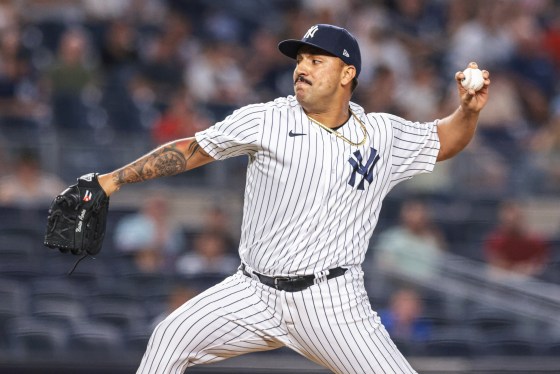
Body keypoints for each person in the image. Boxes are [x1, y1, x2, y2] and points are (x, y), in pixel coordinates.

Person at [91, 24, 489, 374]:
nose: (301, 68)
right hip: (253, 293)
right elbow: (191, 149)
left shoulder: (382, 134)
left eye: (317, 60)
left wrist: (467, 111)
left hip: (332, 302)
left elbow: (446, 140)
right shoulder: (267, 119)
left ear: (347, 73)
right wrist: (111, 180)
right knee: (169, 338)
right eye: (300, 60)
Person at [375, 199, 447, 281]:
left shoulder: (434, 239)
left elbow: (439, 267)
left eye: (420, 211)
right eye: (412, 211)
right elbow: (385, 266)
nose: (417, 216)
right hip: (397, 285)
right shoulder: (391, 237)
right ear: (403, 214)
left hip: (428, 287)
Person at [483, 200, 550, 277]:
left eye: (516, 218)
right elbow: (496, 264)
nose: (512, 221)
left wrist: (526, 269)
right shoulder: (495, 240)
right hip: (504, 279)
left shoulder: (535, 240)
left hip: (528, 279)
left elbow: (539, 264)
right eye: (508, 220)